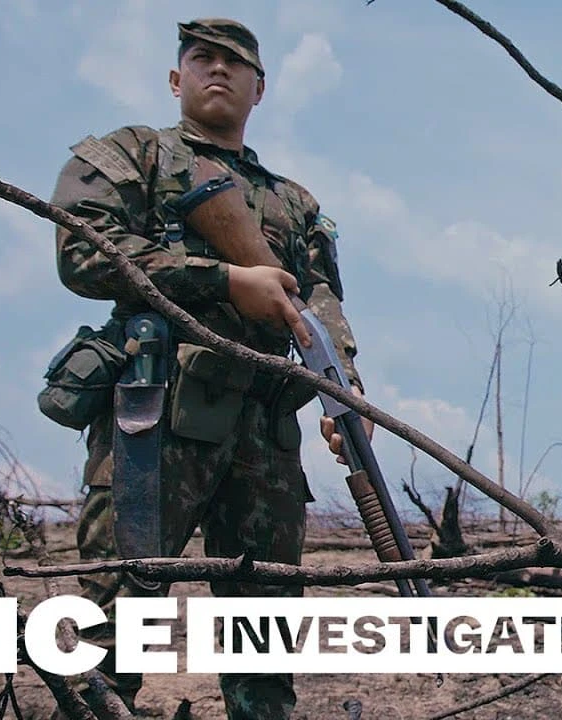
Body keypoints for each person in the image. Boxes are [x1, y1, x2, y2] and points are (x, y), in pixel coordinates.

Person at [47, 18, 364, 720]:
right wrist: (223, 280)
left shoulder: (294, 202)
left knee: (264, 629)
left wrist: (345, 396)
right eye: (201, 58)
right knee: (117, 613)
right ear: (176, 78)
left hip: (265, 431)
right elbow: (84, 252)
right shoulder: (136, 155)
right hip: (155, 414)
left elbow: (320, 304)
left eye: (234, 62)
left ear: (260, 88)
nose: (217, 69)